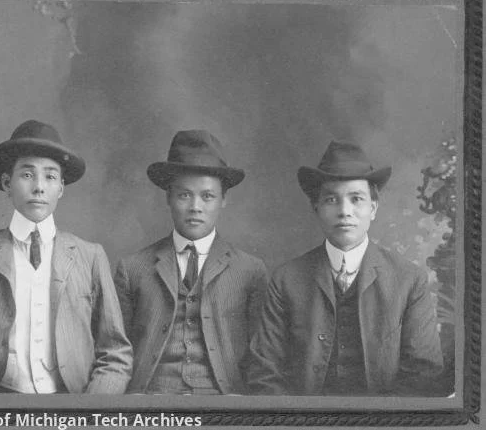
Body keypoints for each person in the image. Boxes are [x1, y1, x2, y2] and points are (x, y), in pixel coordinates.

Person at [0, 120, 132, 393]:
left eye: (50, 177)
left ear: (61, 188)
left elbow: (115, 353)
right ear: (7, 183)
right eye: (27, 175)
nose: (39, 187)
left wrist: (89, 409)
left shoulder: (90, 256)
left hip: (71, 405)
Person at [247, 140, 443, 396]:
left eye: (356, 199)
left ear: (373, 209)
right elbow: (265, 372)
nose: (344, 211)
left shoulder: (409, 279)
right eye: (331, 199)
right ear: (316, 208)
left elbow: (423, 375)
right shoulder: (286, 279)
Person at [114, 130, 268, 395]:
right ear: (168, 197)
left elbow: (261, 358)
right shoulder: (133, 269)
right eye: (184, 195)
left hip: (224, 405)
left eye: (207, 196)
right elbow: (117, 352)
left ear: (223, 200)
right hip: (151, 404)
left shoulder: (250, 271)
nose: (195, 206)